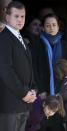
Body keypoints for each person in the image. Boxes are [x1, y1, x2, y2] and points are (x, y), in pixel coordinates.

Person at [0, 1, 37, 131]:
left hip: (24, 103)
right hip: (10, 104)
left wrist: (33, 89)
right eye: (16, 16)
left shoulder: (20, 37)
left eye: (22, 16)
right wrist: (23, 93)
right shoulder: (4, 39)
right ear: (7, 17)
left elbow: (28, 68)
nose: (20, 19)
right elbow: (6, 70)